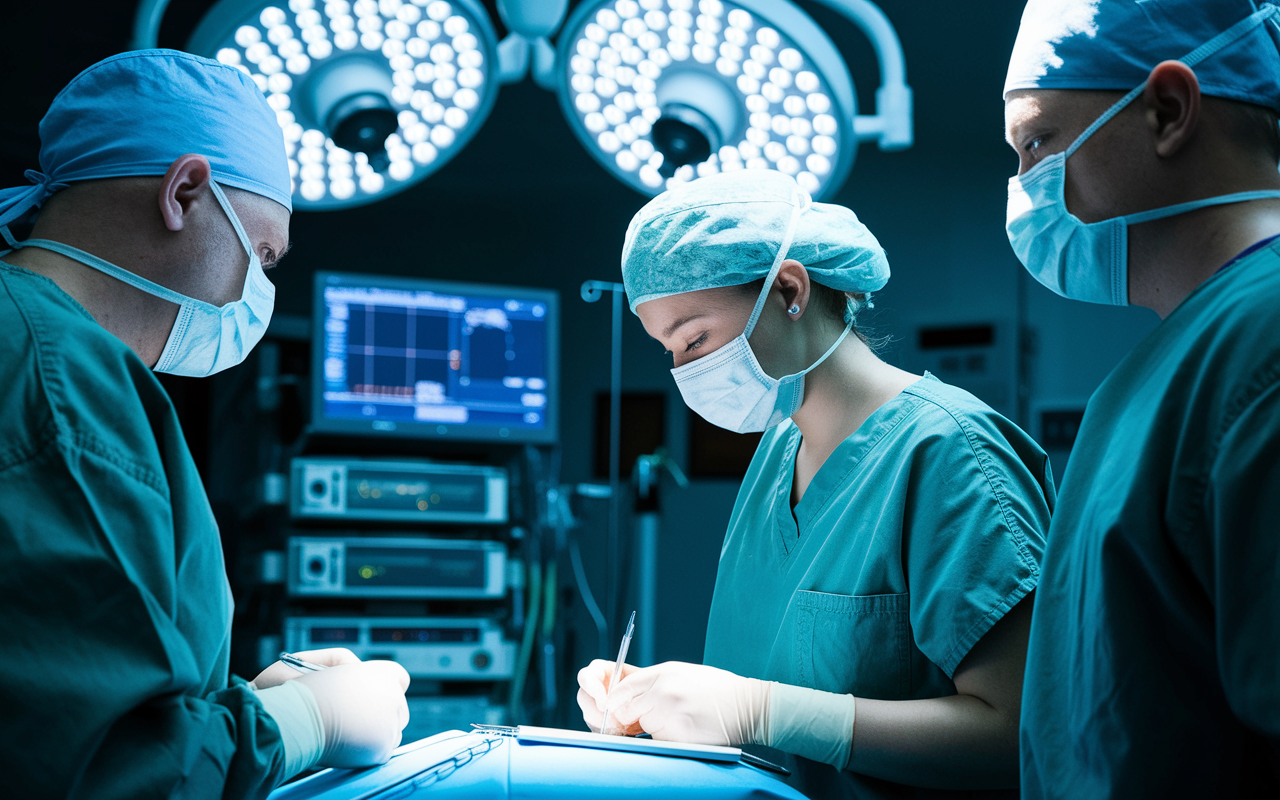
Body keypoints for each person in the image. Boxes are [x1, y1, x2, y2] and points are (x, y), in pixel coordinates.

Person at [0, 50, 410, 798]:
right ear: (185, 192)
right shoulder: (53, 381)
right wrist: (302, 723)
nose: (261, 287)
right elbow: (108, 774)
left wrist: (240, 705)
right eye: (263, 254)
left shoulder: (40, 349)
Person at [577, 169, 1055, 798]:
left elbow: (1021, 737)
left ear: (790, 290)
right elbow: (756, 695)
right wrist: (665, 708)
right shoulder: (778, 453)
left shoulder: (952, 454)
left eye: (695, 338)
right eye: (670, 351)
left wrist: (768, 710)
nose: (684, 372)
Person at [1003, 1, 1280, 796]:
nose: (1025, 187)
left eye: (1039, 142)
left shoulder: (1263, 343)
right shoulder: (1158, 371)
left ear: (1167, 109)